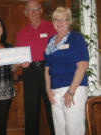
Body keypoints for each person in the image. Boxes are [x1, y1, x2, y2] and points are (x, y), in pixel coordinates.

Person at [44, 7, 89, 135]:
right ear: (53, 22)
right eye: (57, 19)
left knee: (74, 129)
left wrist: (71, 91)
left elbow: (83, 65)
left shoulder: (76, 38)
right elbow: (47, 67)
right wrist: (48, 90)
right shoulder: (50, 41)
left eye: (64, 19)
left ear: (69, 22)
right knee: (59, 129)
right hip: (55, 91)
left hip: (73, 89)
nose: (60, 22)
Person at [15, 0, 56, 135]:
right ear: (25, 13)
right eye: (31, 10)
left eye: (37, 9)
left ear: (41, 11)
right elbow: (16, 60)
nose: (34, 12)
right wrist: (20, 63)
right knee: (31, 110)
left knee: (53, 108)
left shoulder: (52, 27)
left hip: (49, 71)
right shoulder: (21, 33)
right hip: (30, 72)